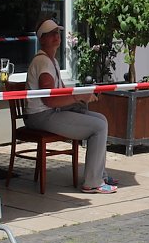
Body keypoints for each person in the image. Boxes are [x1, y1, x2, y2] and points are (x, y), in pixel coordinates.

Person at [24, 19, 117, 194]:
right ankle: (93, 182)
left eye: (57, 33)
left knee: (99, 119)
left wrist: (81, 98)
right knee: (99, 126)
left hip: (45, 113)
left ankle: (99, 174)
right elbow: (49, 100)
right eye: (50, 33)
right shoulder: (44, 62)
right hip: (42, 116)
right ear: (42, 39)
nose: (55, 36)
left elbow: (58, 94)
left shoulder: (51, 60)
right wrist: (77, 97)